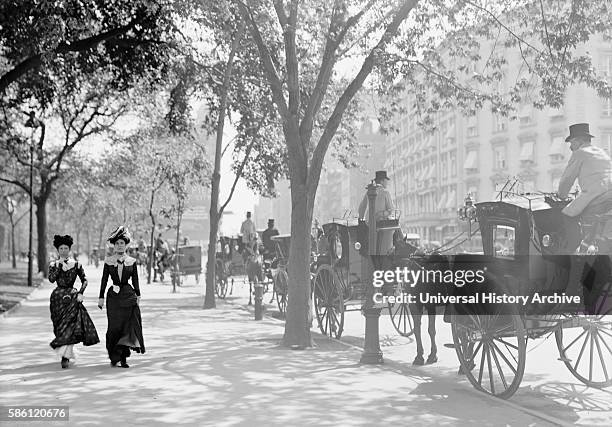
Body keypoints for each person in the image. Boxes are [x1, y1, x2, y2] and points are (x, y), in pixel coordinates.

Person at [558, 123, 612, 253]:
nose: (570, 147)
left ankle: (575, 250)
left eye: (571, 143)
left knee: (566, 214)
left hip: (596, 198)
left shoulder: (580, 153)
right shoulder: (603, 152)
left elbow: (566, 180)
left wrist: (561, 195)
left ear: (578, 141)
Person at [48, 234, 99, 369]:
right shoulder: (53, 264)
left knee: (70, 326)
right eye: (61, 248)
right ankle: (66, 351)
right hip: (57, 299)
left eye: (66, 248)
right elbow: (52, 279)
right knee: (58, 327)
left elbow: (85, 280)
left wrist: (81, 292)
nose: (63, 250)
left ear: (69, 249)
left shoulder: (76, 264)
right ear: (58, 250)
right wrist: (59, 265)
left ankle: (65, 357)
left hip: (72, 297)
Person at [98, 226, 145, 368]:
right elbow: (104, 280)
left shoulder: (132, 261)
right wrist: (101, 297)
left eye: (122, 243)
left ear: (126, 245)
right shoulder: (108, 261)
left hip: (128, 296)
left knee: (127, 327)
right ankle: (114, 356)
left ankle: (123, 357)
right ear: (114, 245)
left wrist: (138, 294)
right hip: (113, 298)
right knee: (114, 327)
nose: (119, 246)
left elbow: (135, 279)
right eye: (117, 243)